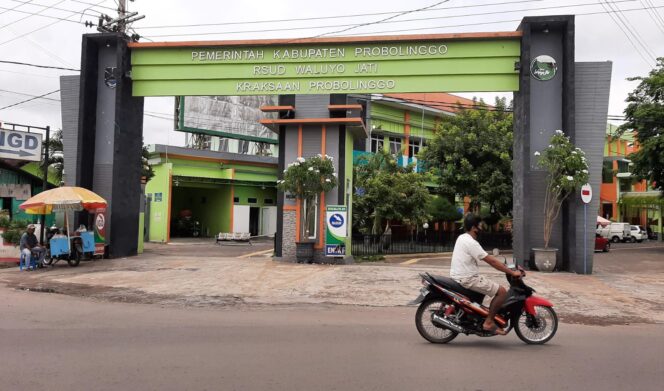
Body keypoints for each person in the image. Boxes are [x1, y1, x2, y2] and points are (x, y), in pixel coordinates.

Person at [450, 214, 522, 335]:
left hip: (460, 276)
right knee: (502, 292)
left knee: (485, 286)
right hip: (468, 278)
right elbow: (492, 261)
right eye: (480, 226)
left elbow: (486, 257)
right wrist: (511, 272)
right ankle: (488, 322)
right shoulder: (471, 243)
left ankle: (479, 317)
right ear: (474, 227)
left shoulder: (462, 237)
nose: (482, 228)